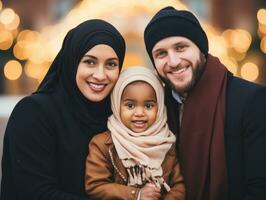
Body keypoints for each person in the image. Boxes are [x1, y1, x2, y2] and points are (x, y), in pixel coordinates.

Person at [144, 6, 266, 200]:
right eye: (161, 54)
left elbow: (260, 187)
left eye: (180, 47)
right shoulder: (156, 110)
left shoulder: (251, 100)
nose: (173, 61)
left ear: (201, 48)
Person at [1, 19, 125, 200]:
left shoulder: (118, 117)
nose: (100, 75)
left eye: (111, 64)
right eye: (90, 62)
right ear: (72, 61)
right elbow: (35, 193)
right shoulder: (33, 113)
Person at [84, 66, 185, 200]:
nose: (139, 113)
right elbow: (95, 186)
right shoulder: (103, 144)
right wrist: (136, 195)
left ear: (160, 107)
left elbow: (179, 186)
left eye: (148, 106)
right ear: (116, 104)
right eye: (130, 105)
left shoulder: (167, 142)